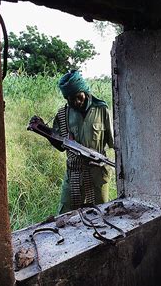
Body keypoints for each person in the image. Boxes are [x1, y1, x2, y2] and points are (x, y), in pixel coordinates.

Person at [50, 70, 114, 214]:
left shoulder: (102, 110)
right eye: (70, 99)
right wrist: (47, 134)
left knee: (101, 214)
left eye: (79, 97)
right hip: (75, 172)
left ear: (85, 92)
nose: (76, 102)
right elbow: (60, 145)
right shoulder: (63, 114)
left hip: (98, 173)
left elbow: (114, 143)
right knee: (66, 214)